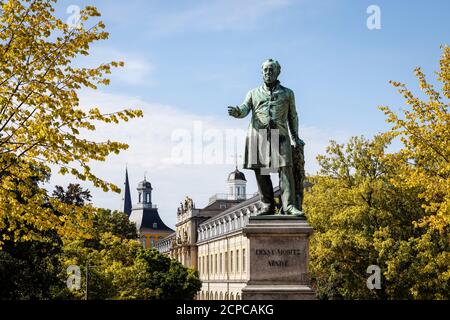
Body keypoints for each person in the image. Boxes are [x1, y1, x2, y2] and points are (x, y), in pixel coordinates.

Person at [228, 59, 304, 216]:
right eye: (266, 70)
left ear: (277, 72)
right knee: (261, 171)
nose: (268, 73)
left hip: (280, 134)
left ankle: (289, 205)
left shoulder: (287, 93)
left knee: (285, 169)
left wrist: (296, 137)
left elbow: (293, 116)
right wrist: (237, 112)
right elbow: (244, 109)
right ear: (261, 73)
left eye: (271, 70)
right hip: (259, 135)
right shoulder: (253, 93)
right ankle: (267, 205)